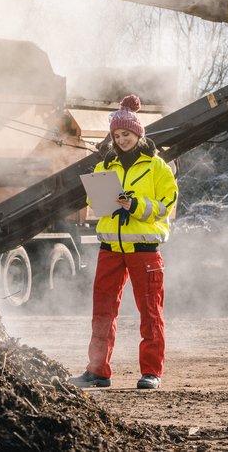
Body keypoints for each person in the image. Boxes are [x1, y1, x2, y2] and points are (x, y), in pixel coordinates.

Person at [68, 95, 178, 390]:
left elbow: (167, 203)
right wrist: (99, 192)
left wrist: (136, 205)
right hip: (110, 249)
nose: (121, 139)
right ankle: (98, 371)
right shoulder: (108, 163)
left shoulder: (157, 167)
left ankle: (151, 372)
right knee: (102, 311)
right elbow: (96, 202)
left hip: (144, 250)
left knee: (150, 311)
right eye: (116, 135)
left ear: (138, 133)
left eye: (125, 134)